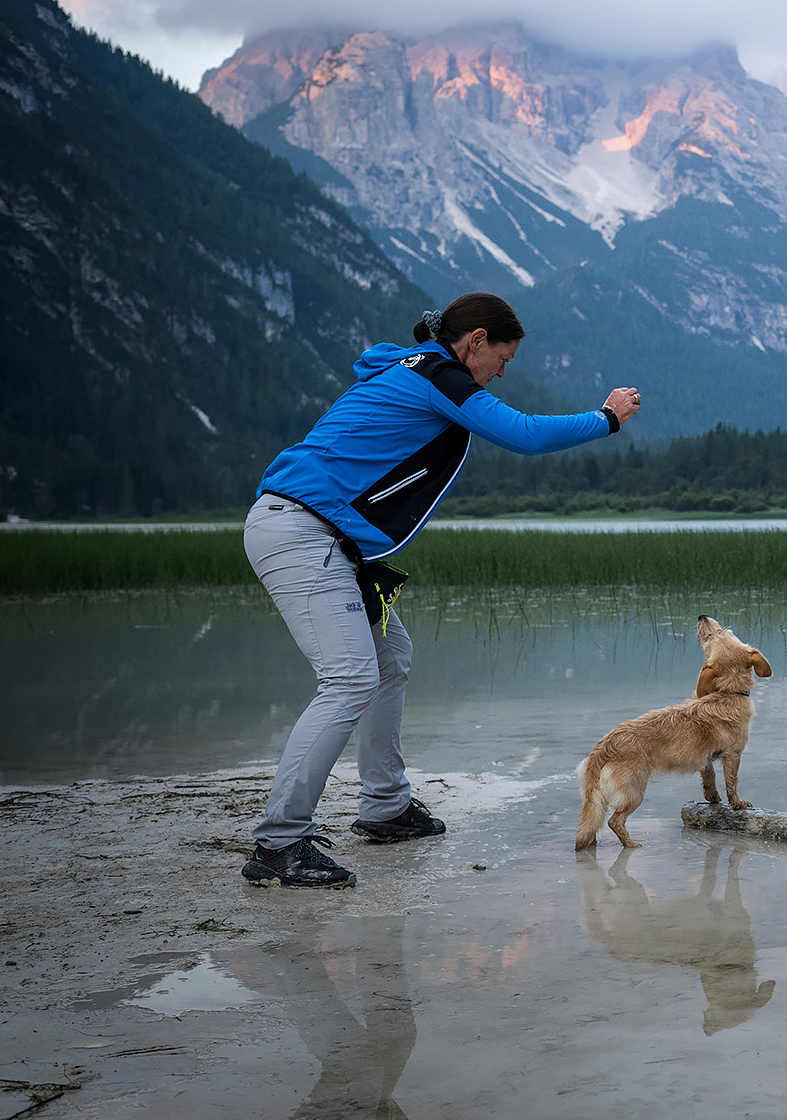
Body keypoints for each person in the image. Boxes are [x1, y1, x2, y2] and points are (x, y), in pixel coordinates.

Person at [241, 291, 639, 888]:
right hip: (303, 533)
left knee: (390, 657)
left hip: (327, 538)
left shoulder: (411, 369)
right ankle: (279, 843)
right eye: (502, 358)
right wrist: (605, 417)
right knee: (349, 677)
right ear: (475, 340)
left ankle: (384, 807)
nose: (503, 372)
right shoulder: (435, 373)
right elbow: (524, 435)